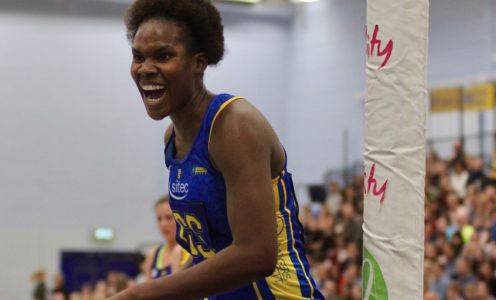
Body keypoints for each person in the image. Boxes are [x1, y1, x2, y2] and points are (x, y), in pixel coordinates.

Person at [109, 0, 324, 299]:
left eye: (163, 55)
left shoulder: (234, 125)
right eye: (138, 57)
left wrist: (140, 295)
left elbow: (257, 254)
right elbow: (207, 255)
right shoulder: (173, 138)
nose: (145, 69)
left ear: (198, 62)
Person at [143, 195, 190, 279]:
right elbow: (147, 289)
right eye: (159, 219)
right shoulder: (152, 254)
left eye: (169, 218)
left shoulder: (191, 251)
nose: (163, 224)